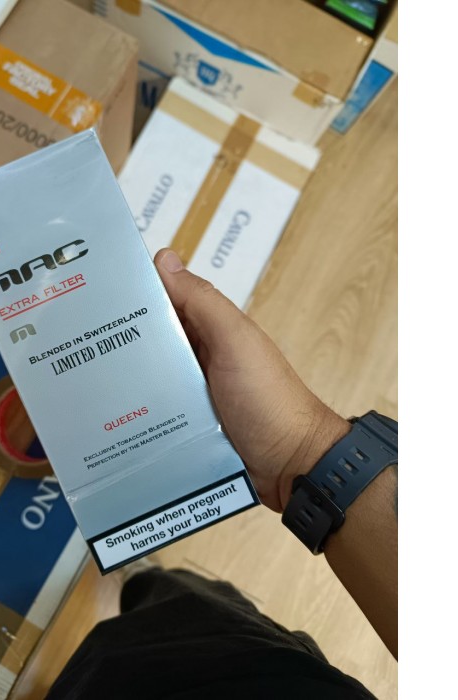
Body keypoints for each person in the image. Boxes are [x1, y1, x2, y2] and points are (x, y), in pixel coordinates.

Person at [47, 249, 397, 699]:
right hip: (265, 675)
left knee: (169, 625)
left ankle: (144, 580)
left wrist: (304, 451)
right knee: (186, 607)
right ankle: (142, 578)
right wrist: (299, 450)